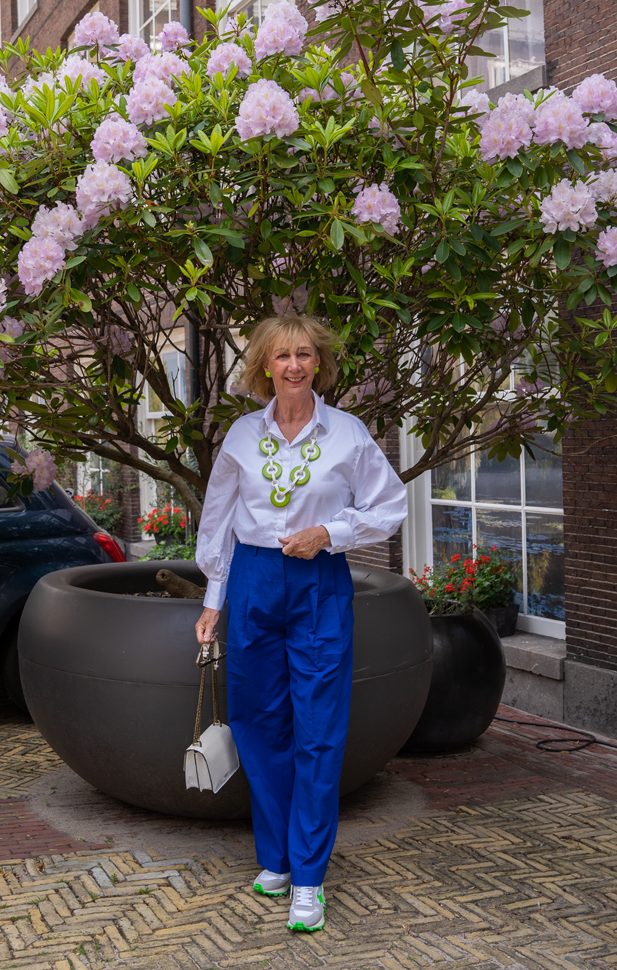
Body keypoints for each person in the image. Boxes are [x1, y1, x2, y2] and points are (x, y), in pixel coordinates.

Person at [195, 316, 407, 932]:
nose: (293, 365)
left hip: (317, 581)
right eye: (282, 355)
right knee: (260, 724)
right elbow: (220, 517)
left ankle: (309, 878)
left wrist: (331, 534)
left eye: (305, 355)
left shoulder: (348, 433)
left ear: (319, 363)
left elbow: (389, 505)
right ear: (264, 365)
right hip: (255, 582)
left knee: (318, 726)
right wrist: (215, 598)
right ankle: (278, 859)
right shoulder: (240, 435)